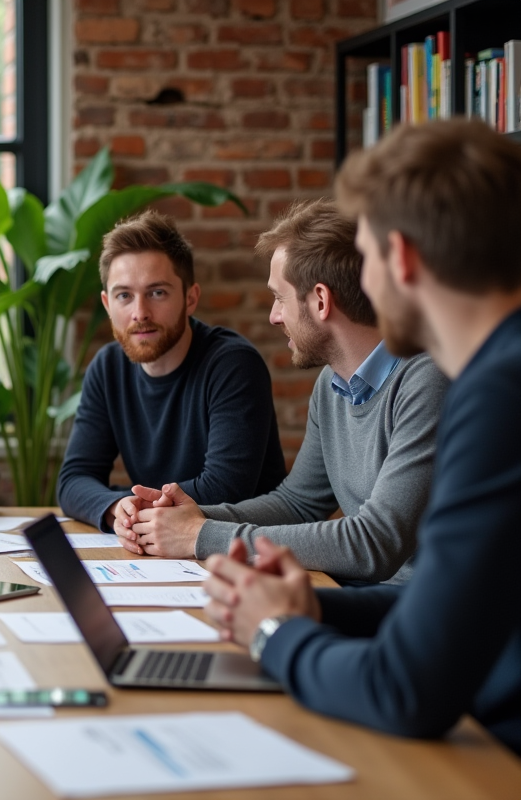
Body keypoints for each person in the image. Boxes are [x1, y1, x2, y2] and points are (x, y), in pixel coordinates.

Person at [202, 119, 521, 755]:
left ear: (400, 259)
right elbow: (445, 612)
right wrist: (311, 610)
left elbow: (404, 690)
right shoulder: (497, 371)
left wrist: (272, 632)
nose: (361, 283)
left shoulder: (497, 394)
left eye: (367, 259)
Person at [114, 201, 446, 585]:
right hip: (375, 597)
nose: (273, 316)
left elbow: (373, 543)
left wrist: (200, 536)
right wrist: (191, 517)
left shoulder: (427, 381)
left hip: (430, 611)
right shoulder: (332, 384)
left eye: (279, 298)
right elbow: (298, 503)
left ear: (320, 301)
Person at [56, 210, 286, 534]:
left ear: (190, 298)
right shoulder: (107, 368)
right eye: (125, 296)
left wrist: (135, 510)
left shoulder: (233, 365)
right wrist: (115, 508)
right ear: (108, 305)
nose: (140, 313)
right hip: (158, 550)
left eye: (157, 292)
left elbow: (226, 488)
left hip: (240, 551)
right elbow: (73, 480)